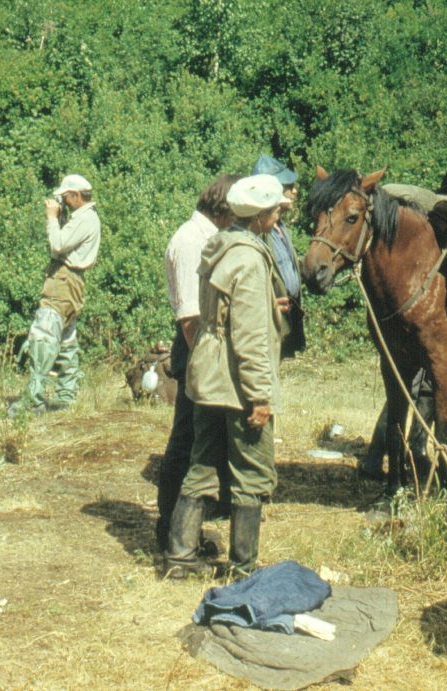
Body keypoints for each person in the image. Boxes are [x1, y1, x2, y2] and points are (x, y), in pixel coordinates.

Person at [164, 174, 287, 579]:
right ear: (262, 217)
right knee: (251, 473)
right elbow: (249, 337)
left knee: (202, 465)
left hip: (209, 373)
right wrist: (260, 396)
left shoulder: (218, 245)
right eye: (276, 212)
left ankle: (179, 559)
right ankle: (243, 570)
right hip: (236, 381)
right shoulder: (249, 257)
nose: (279, 218)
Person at [360, 168, 447, 483]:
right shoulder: (430, 224)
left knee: (414, 394)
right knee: (404, 394)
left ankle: (410, 456)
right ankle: (380, 458)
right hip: (417, 333)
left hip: (430, 336)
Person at [155, 174, 239, 552]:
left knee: (195, 439)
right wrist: (204, 365)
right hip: (195, 348)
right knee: (187, 440)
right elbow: (189, 316)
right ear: (225, 207)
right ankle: (171, 531)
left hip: (202, 347)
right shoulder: (191, 240)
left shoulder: (205, 237)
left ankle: (182, 530)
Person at [8, 174, 100, 417]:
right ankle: (65, 397)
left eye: (66, 197)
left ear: (76, 195)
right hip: (69, 282)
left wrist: (51, 219)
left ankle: (33, 400)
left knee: (44, 337)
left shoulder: (85, 219)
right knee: (66, 339)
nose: (63, 202)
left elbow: (57, 245)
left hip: (64, 282)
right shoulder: (85, 218)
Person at [252, 155, 306, 358]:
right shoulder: (258, 231)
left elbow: (287, 267)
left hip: (286, 318)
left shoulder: (280, 227)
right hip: (267, 322)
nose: (294, 191)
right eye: (288, 186)